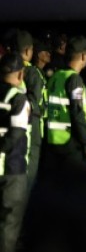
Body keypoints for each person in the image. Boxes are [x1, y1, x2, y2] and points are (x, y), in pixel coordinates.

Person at [42, 35, 86, 174]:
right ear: (83, 56)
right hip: (71, 144)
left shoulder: (56, 76)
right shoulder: (74, 79)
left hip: (52, 142)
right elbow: (77, 113)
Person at [2, 30, 43, 189]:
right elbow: (34, 103)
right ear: (27, 50)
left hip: (6, 128)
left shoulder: (5, 67)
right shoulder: (32, 72)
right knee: (28, 172)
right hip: (29, 130)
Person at [0, 53, 30, 252]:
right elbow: (16, 134)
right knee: (9, 224)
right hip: (12, 169)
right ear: (21, 75)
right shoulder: (19, 99)